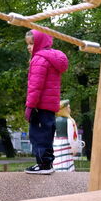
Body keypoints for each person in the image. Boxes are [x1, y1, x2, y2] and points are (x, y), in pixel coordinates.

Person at [23, 30, 68, 175]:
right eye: (28, 44)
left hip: (39, 105)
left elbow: (35, 86)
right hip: (49, 106)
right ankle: (47, 162)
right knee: (47, 133)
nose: (29, 47)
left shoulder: (39, 59)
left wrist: (30, 106)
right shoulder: (52, 58)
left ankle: (43, 164)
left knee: (38, 134)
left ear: (40, 43)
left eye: (31, 43)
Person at [53, 100, 85, 172]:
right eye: (68, 108)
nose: (70, 109)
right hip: (66, 145)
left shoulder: (55, 120)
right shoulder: (70, 121)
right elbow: (73, 137)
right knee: (66, 164)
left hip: (56, 145)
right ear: (65, 109)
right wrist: (75, 149)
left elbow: (54, 135)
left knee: (58, 163)